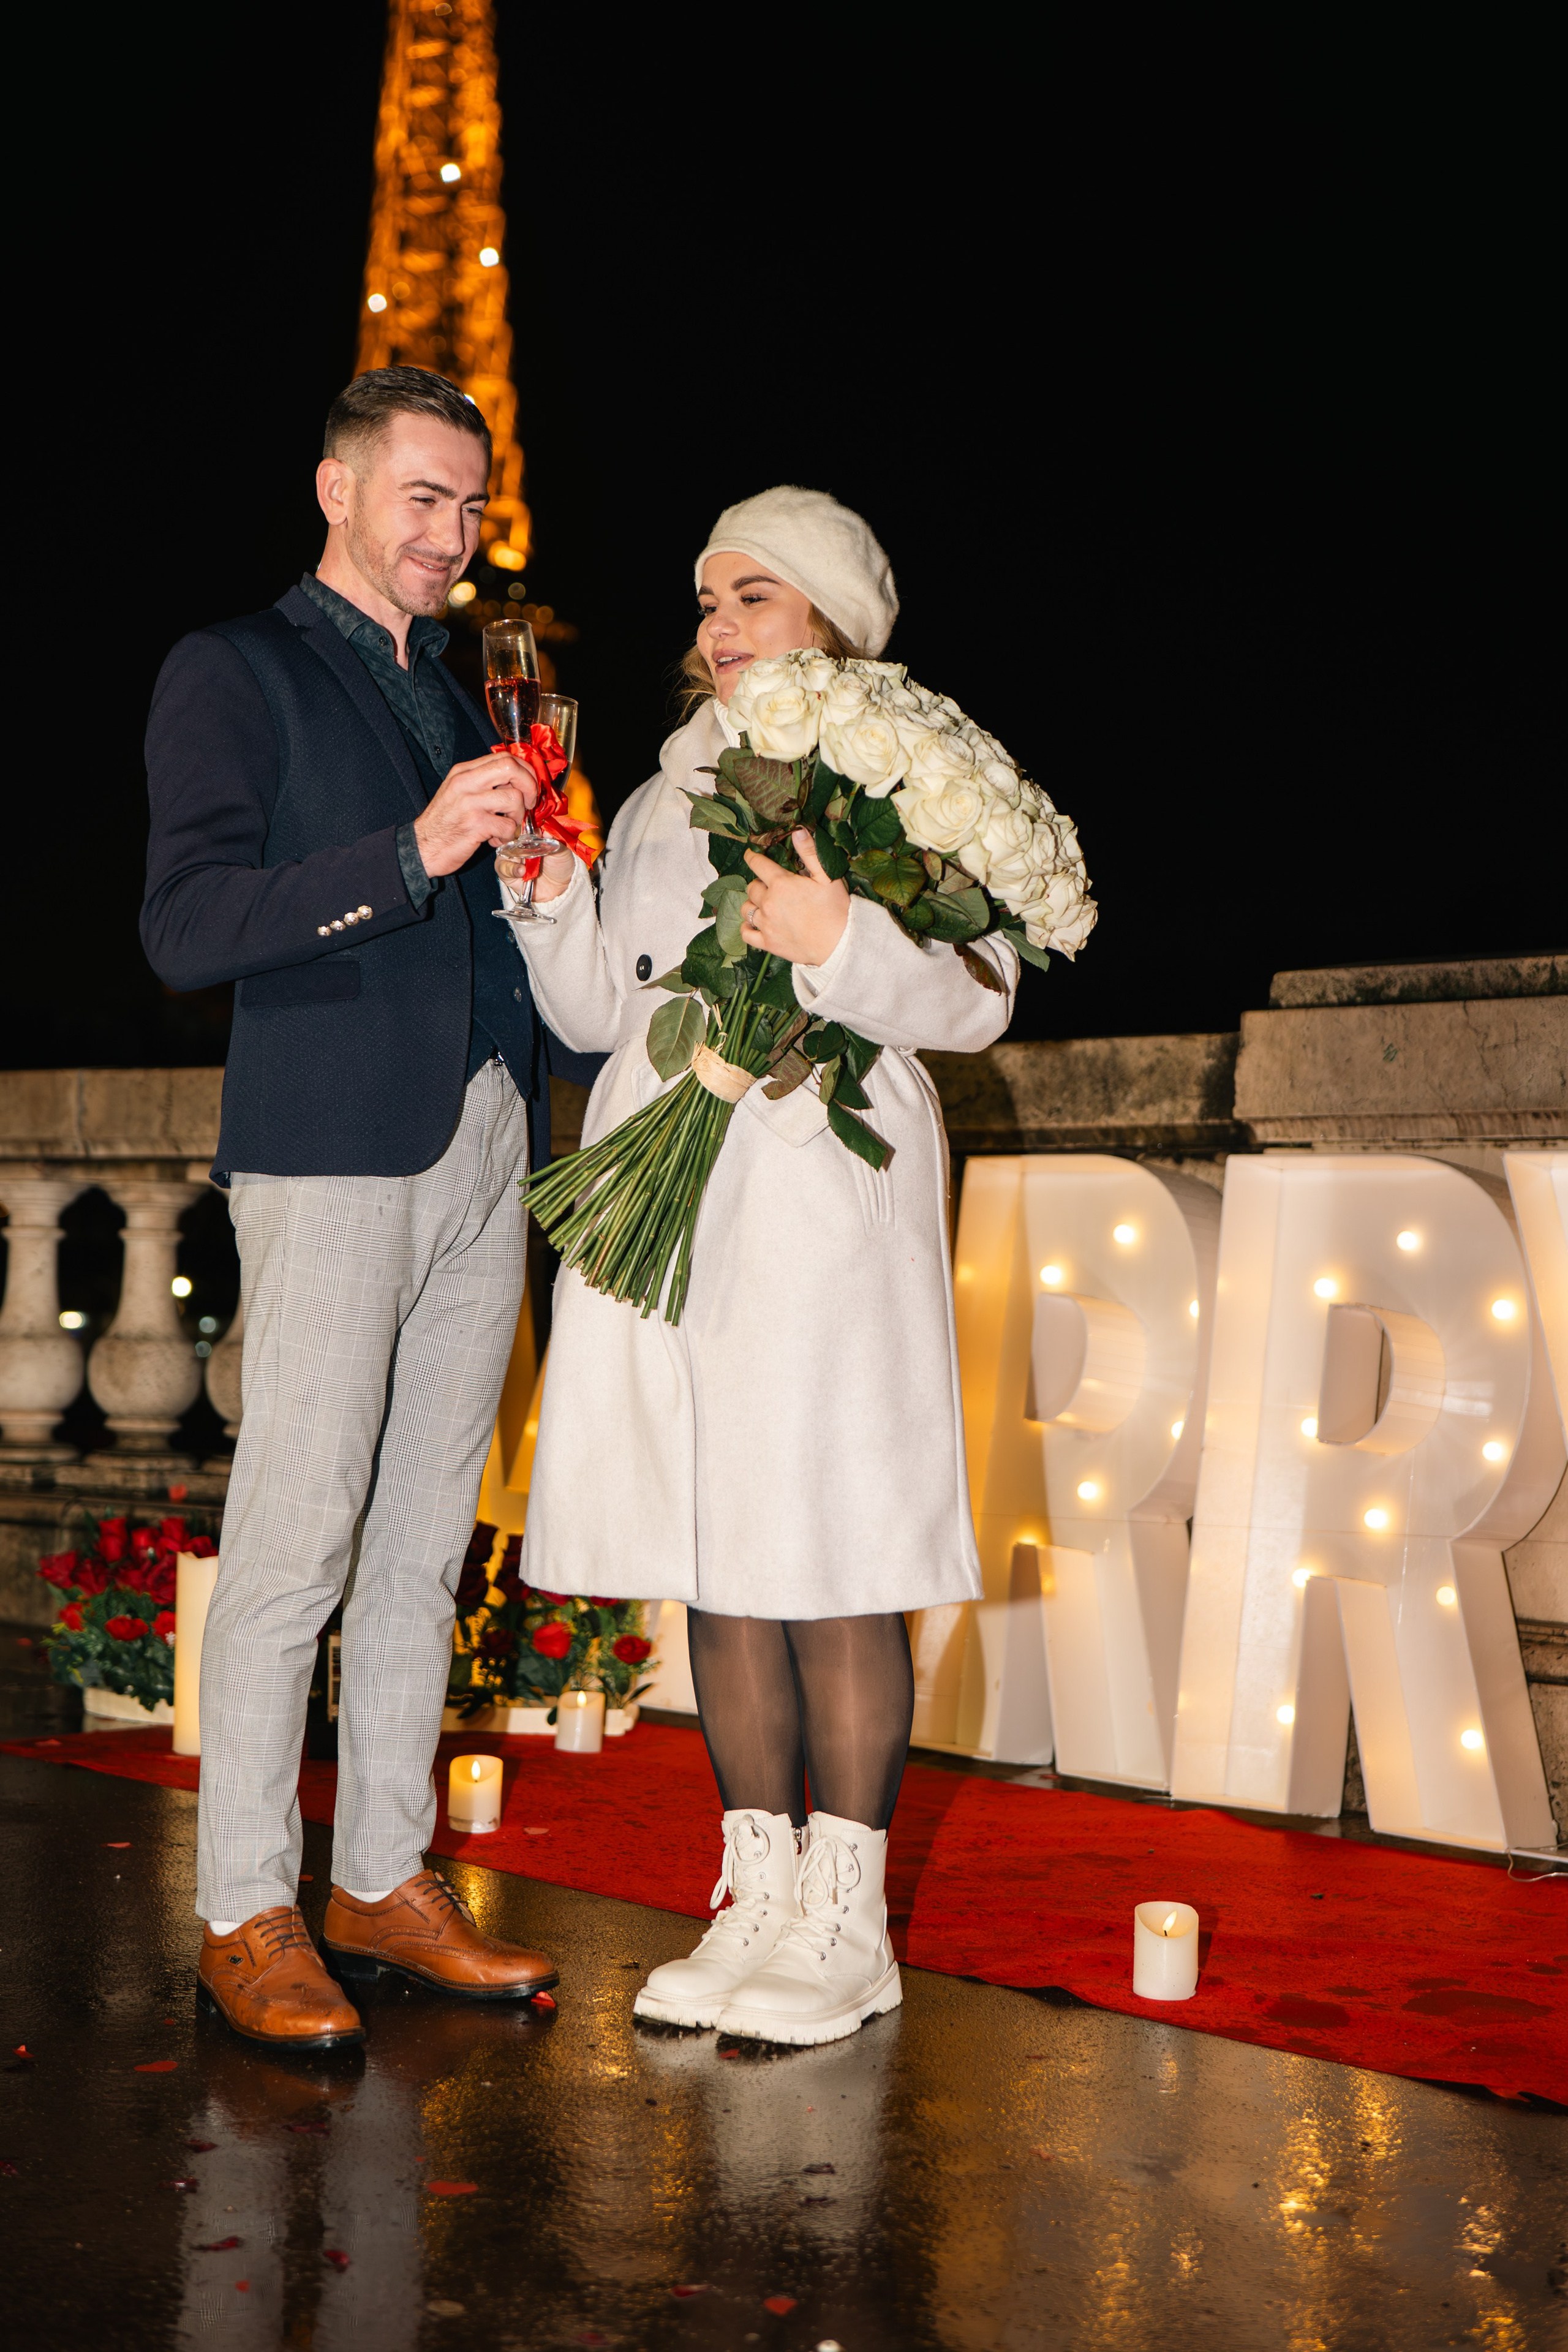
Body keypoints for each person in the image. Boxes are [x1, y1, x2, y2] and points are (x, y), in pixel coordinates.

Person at [507, 486, 1017, 2046]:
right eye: (710, 599)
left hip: (814, 1192)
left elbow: (979, 996)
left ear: (832, 628)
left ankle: (849, 1924)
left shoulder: (898, 778)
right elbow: (600, 1014)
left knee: (830, 1542)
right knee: (721, 1549)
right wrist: (544, 889)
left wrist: (837, 935)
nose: (716, 625)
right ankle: (757, 1896)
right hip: (676, 1194)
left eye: (754, 598)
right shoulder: (660, 798)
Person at [141, 366, 569, 2047]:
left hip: (481, 1141)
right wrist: (409, 856)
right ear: (335, 492)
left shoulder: (461, 692)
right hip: (327, 1154)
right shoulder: (232, 668)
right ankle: (246, 1902)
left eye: (469, 509)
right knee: (297, 1537)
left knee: (420, 1544)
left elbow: (476, 898)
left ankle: (384, 1874)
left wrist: (525, 880)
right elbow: (184, 927)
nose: (451, 539)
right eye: (421, 501)